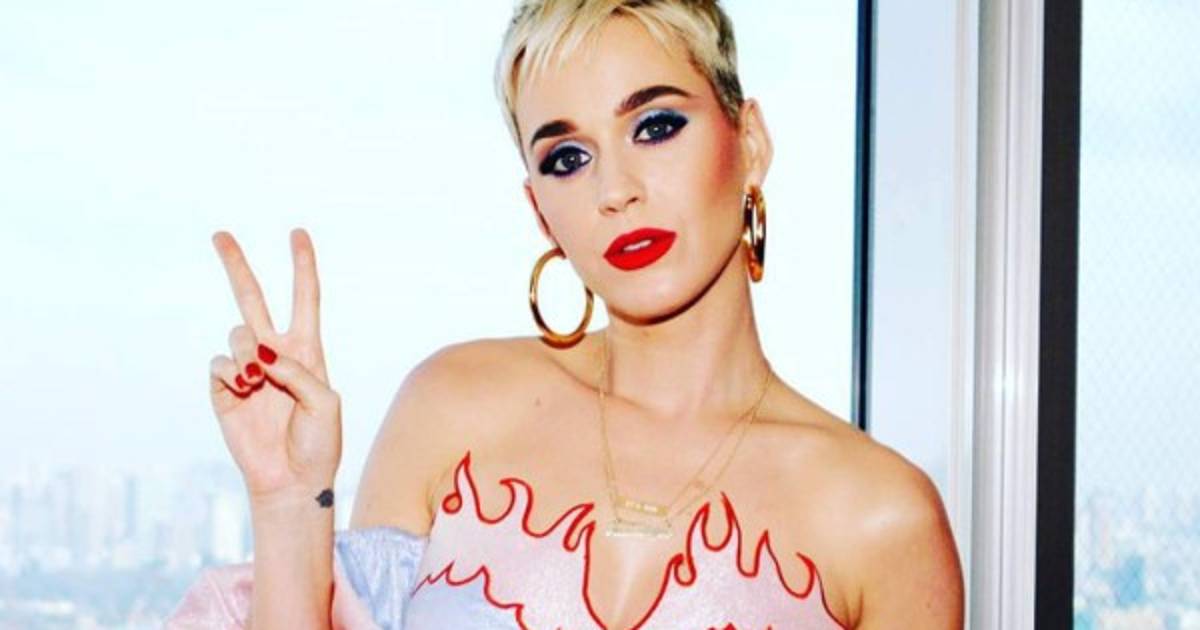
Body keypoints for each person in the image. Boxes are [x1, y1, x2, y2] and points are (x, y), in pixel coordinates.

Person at [167, 1, 964, 628]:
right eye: (567, 158)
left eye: (656, 126)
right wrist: (286, 502)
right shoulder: (455, 406)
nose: (614, 190)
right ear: (541, 211)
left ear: (749, 142)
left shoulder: (882, 519)